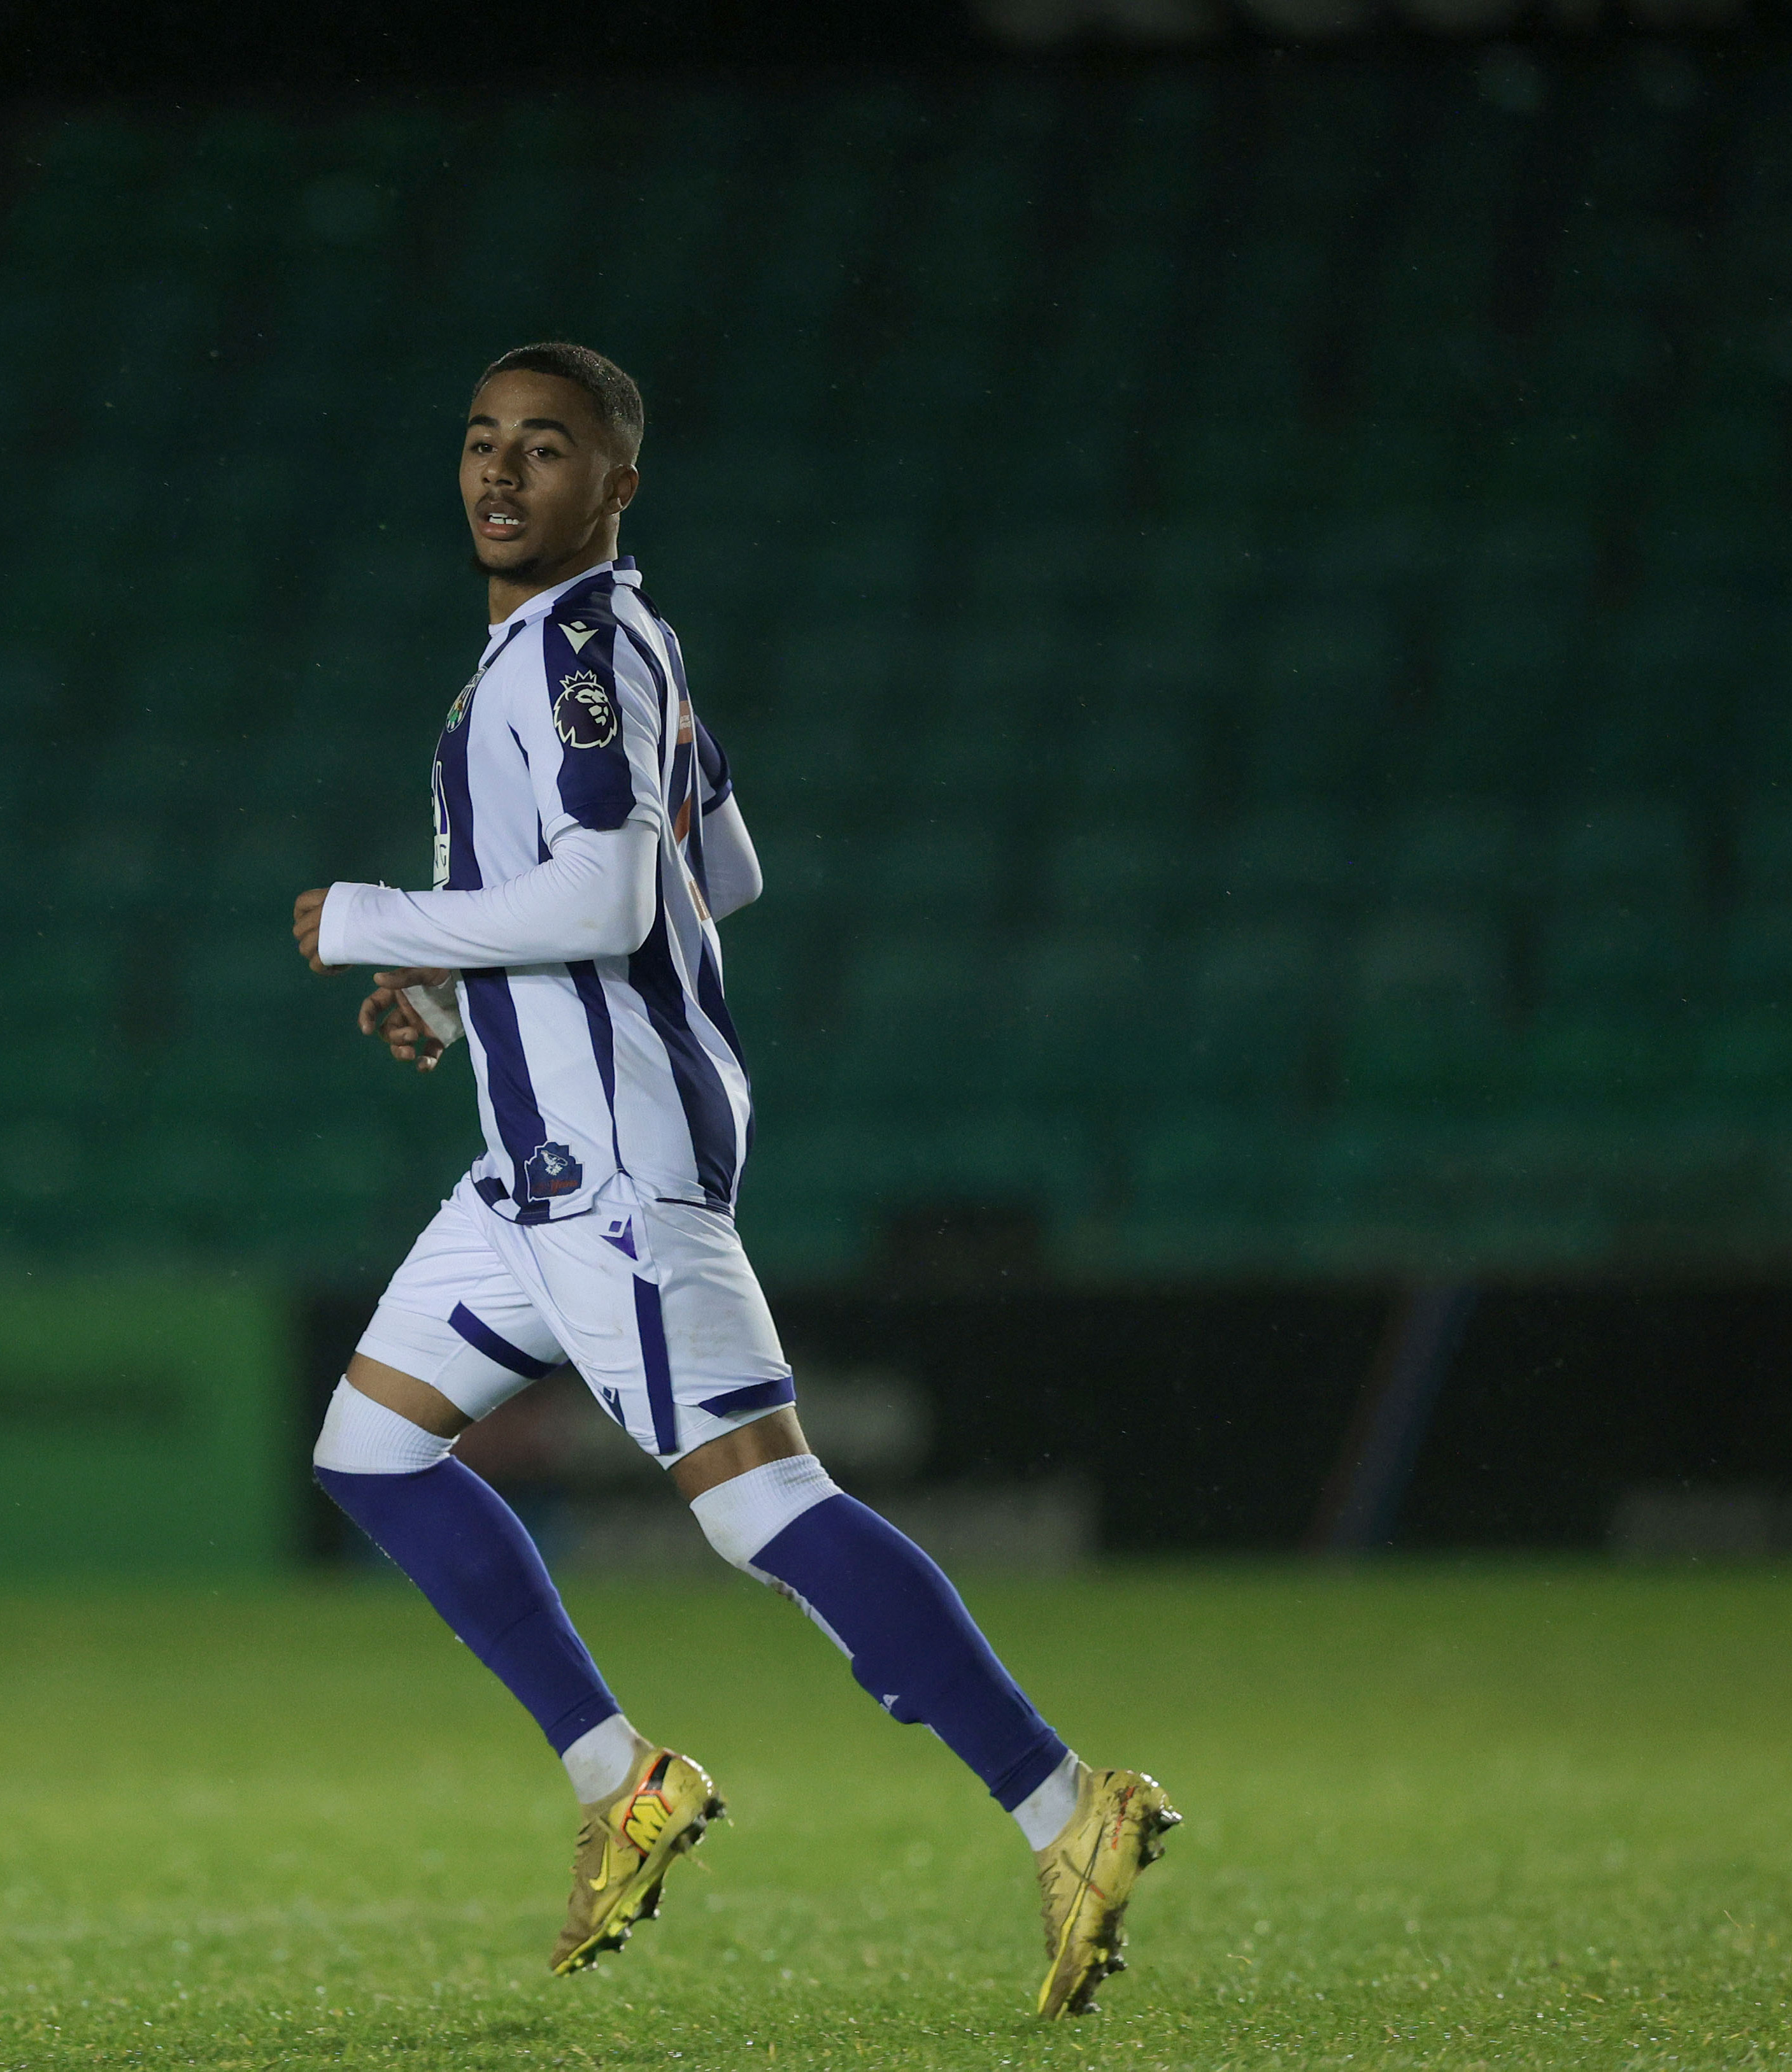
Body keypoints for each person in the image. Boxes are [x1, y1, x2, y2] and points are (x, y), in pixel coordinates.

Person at [287, 341, 1176, 2018]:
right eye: (481, 440)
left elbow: (619, 899)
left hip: (611, 1169)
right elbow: (723, 871)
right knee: (372, 1448)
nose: (499, 472)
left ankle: (1070, 1808)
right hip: (528, 1169)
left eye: (545, 449)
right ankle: (621, 1773)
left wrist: (378, 924)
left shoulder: (581, 648)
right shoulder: (574, 651)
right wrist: (458, 983)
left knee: (766, 1503)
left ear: (611, 486)